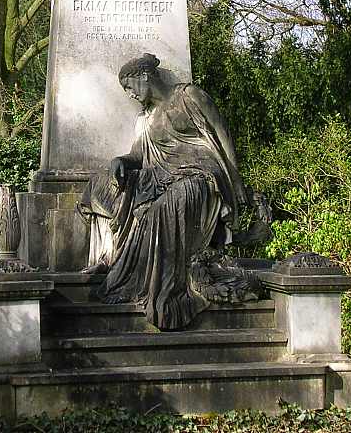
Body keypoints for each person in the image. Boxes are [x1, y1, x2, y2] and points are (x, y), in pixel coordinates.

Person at [77, 53, 250, 330]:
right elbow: (137, 154)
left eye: (130, 86)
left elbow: (221, 132)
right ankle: (109, 258)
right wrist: (120, 162)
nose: (130, 94)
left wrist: (235, 181)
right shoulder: (146, 118)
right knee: (100, 186)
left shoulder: (189, 96)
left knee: (161, 210)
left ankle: (160, 288)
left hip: (200, 175)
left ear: (145, 76)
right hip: (161, 175)